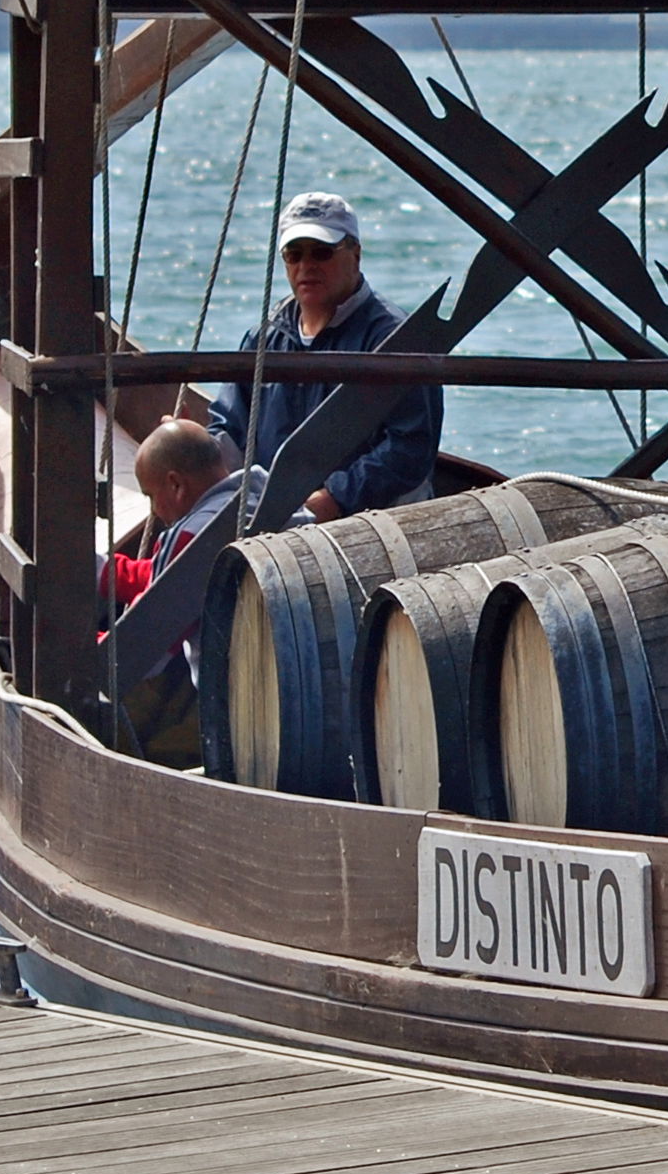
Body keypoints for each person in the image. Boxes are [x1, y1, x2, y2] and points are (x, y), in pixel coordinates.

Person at [208, 192, 439, 523]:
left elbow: (410, 448)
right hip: (273, 517)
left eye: (322, 252)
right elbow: (228, 426)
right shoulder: (264, 337)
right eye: (294, 254)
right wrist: (201, 454)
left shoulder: (394, 339)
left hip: (368, 521)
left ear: (356, 255)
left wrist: (335, 498)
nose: (306, 266)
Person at [98, 418, 256, 768]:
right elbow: (163, 579)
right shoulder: (261, 496)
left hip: (236, 706)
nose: (154, 510)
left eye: (151, 496)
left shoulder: (192, 536)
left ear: (175, 485)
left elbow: (146, 647)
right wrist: (104, 571)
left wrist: (76, 647)